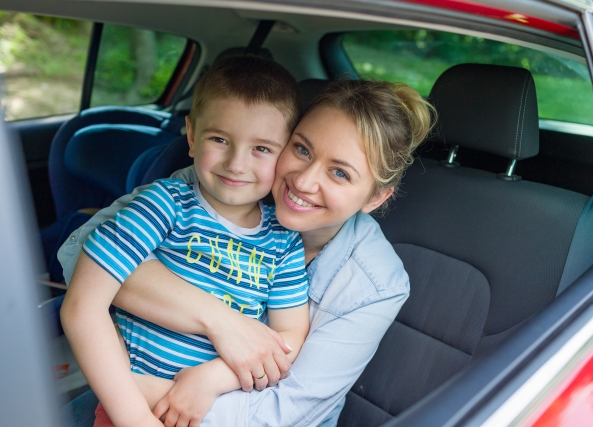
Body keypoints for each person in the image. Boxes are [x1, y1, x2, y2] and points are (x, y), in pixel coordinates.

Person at [59, 78, 436, 426]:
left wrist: (142, 393)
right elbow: (84, 252)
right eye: (302, 149)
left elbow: (285, 410)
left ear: (375, 197)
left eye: (340, 173)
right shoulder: (219, 187)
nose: (304, 181)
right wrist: (220, 320)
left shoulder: (377, 284)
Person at [60, 55, 311, 427]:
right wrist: (134, 419)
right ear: (192, 136)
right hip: (135, 409)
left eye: (261, 148)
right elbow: (82, 308)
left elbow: (288, 337)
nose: (237, 163)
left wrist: (212, 380)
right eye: (220, 139)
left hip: (221, 412)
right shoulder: (163, 204)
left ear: (286, 153)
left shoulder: (284, 241)